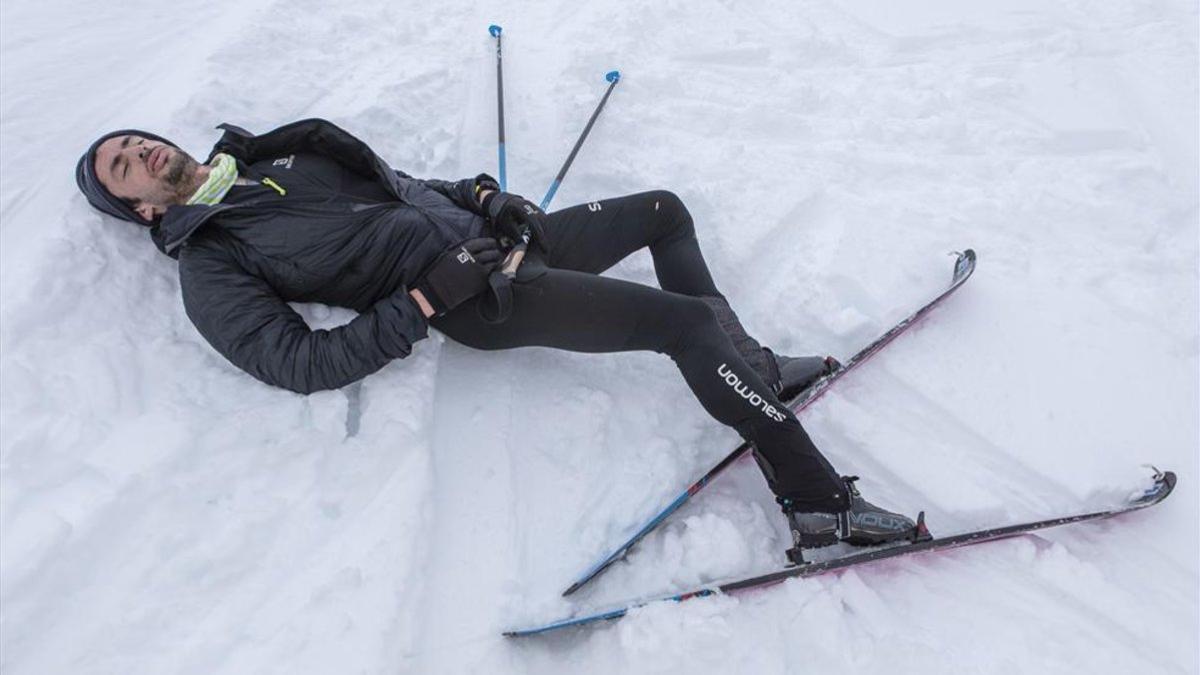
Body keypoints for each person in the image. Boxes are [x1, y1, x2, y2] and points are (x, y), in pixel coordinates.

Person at [75, 118, 919, 558]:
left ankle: (754, 370)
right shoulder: (210, 259)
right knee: (685, 322)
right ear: (143, 209)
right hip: (486, 298)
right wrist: (422, 299)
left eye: (133, 140)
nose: (140, 150)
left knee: (664, 208)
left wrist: (483, 196)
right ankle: (817, 504)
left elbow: (402, 184)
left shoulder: (276, 155)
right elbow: (297, 362)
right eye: (122, 166)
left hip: (510, 241)